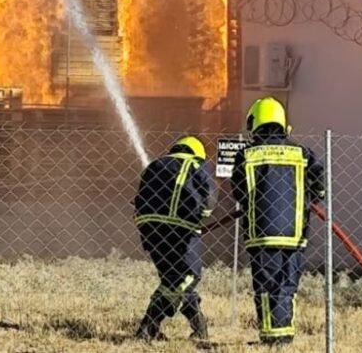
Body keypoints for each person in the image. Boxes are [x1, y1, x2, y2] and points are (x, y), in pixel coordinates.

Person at [231, 97, 325, 347]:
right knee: (287, 285)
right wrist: (312, 197)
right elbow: (319, 183)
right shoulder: (302, 153)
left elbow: (239, 192)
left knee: (266, 286)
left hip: (261, 232)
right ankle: (284, 336)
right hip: (295, 233)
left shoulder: (246, 155)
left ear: (256, 122)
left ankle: (271, 338)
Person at [133, 135, 216, 341]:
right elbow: (210, 196)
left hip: (149, 229)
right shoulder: (196, 164)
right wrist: (202, 216)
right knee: (189, 275)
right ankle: (147, 327)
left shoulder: (156, 164)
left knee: (174, 280)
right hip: (179, 227)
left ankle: (200, 330)